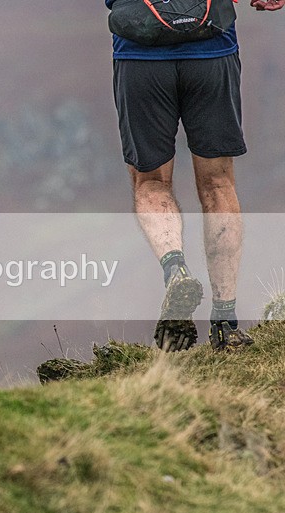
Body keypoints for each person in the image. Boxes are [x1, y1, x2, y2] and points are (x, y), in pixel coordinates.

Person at [106, 0, 284, 352]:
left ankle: (176, 270)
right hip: (211, 52)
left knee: (151, 182)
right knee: (218, 183)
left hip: (141, 58)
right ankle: (226, 324)